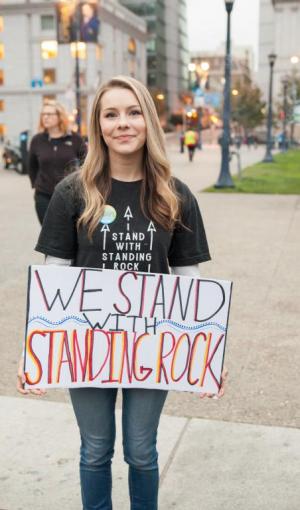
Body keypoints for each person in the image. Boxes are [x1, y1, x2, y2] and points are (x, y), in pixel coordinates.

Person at [17, 76, 226, 510]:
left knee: (141, 450)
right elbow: (53, 275)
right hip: (86, 342)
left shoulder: (175, 196)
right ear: (98, 125)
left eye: (133, 112)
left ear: (148, 120)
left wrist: (208, 355)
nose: (123, 123)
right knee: (95, 449)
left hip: (151, 345)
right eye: (111, 114)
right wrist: (33, 352)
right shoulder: (72, 192)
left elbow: (189, 277)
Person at [28, 100, 86, 225]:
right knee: (48, 234)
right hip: (43, 195)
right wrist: (36, 185)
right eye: (43, 114)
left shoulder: (75, 139)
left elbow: (86, 163)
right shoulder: (37, 140)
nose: (45, 117)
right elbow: (32, 166)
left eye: (49, 114)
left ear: (60, 116)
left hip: (71, 195)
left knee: (71, 233)